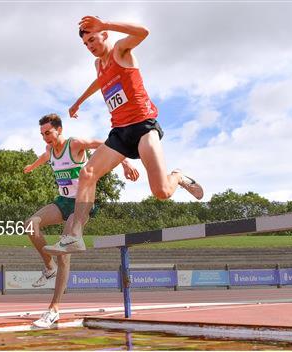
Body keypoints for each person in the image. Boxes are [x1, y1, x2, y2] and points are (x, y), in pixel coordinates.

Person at [44, 16, 204, 255]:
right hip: (119, 132)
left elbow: (144, 32)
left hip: (142, 127)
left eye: (93, 39)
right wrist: (79, 101)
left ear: (104, 35)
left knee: (161, 192)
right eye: (86, 44)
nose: (90, 47)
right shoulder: (98, 65)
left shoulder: (121, 50)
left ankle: (178, 176)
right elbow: (100, 82)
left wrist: (106, 24)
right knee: (88, 173)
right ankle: (75, 235)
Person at [24, 113, 138, 328]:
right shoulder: (50, 150)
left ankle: (54, 309)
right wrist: (32, 166)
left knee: (64, 250)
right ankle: (49, 268)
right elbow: (44, 156)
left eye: (48, 132)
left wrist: (125, 163)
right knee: (30, 224)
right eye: (42, 134)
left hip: (82, 204)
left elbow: (106, 144)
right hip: (63, 201)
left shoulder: (75, 144)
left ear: (60, 130)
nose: (45, 137)